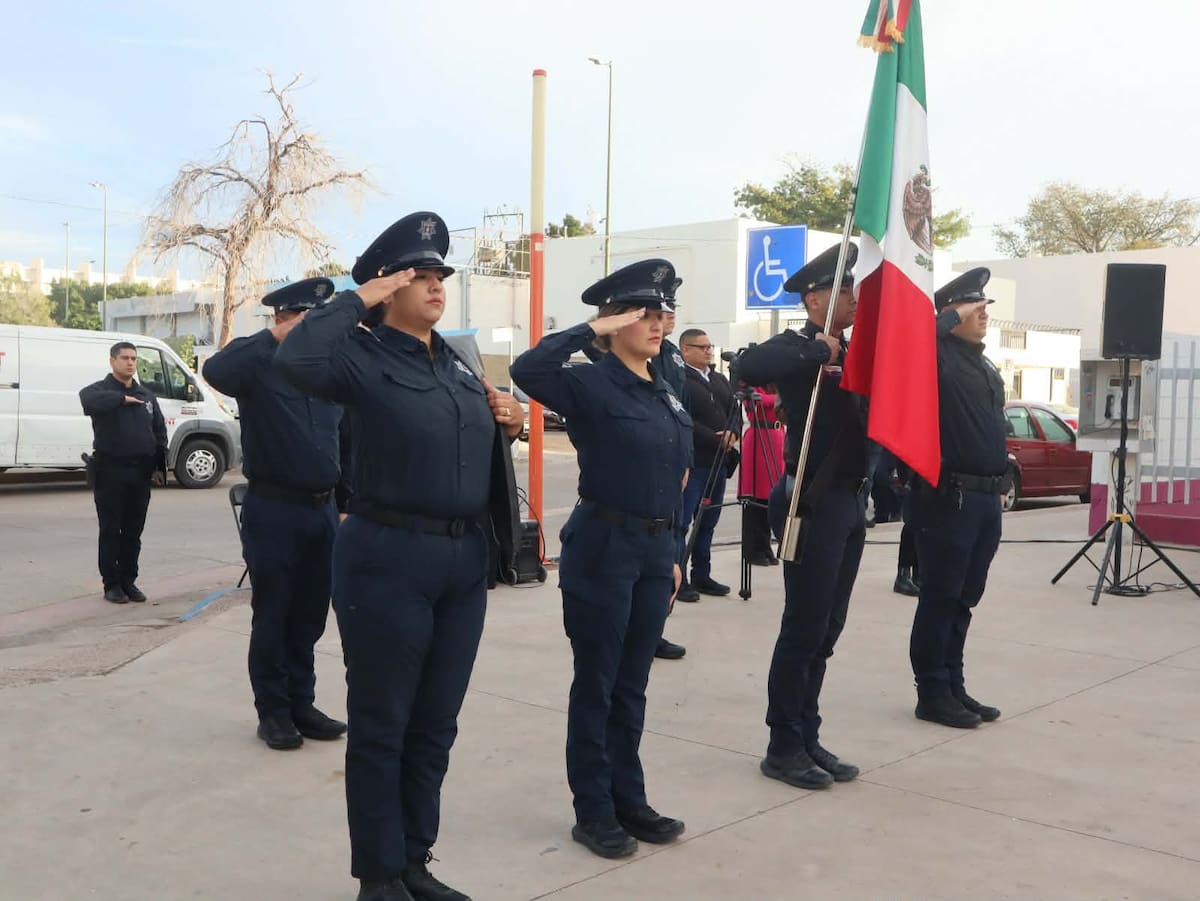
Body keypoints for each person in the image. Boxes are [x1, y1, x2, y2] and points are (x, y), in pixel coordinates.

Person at [275, 211, 522, 901]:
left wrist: (504, 422)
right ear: (390, 284)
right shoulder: (358, 352)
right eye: (420, 273)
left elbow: (464, 452)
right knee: (383, 724)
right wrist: (359, 296)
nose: (436, 282)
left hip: (461, 560)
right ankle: (379, 876)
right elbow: (294, 359)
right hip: (386, 557)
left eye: (441, 272)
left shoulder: (457, 362)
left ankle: (415, 860)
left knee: (435, 725)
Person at [510, 258, 692, 861]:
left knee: (632, 685)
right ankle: (593, 810)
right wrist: (590, 330)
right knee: (598, 682)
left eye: (661, 311)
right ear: (614, 321)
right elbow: (529, 368)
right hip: (603, 547)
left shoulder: (664, 386)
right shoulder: (588, 383)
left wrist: (670, 554)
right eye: (642, 312)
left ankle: (629, 799)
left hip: (650, 550)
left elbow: (673, 478)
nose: (657, 321)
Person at [738, 243, 867, 791]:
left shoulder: (859, 349)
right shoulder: (798, 346)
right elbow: (749, 366)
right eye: (847, 291)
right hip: (810, 501)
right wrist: (819, 352)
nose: (857, 299)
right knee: (804, 624)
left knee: (829, 627)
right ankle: (782, 744)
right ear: (816, 299)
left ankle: (808, 733)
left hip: (850, 501)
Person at [202, 277, 350, 752]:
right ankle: (273, 712)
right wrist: (277, 337)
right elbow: (217, 370)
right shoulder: (259, 365)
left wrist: (345, 506)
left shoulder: (326, 373)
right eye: (306, 320)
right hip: (275, 509)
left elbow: (342, 444)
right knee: (274, 614)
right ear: (284, 318)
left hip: (323, 510)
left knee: (309, 615)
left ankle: (301, 703)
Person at [909, 267, 1007, 729]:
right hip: (950, 497)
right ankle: (931, 691)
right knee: (941, 597)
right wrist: (946, 319)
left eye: (985, 306)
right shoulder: (935, 356)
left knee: (965, 598)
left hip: (986, 499)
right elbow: (907, 352)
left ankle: (954, 683)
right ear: (952, 312)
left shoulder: (982, 363)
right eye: (975, 307)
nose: (984, 314)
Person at [79, 341, 168, 604]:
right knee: (111, 530)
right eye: (125, 358)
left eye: (134, 359)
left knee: (133, 531)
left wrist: (159, 466)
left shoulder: (146, 396)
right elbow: (86, 399)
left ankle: (129, 580)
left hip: (140, 473)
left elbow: (159, 430)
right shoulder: (101, 391)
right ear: (112, 361)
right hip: (110, 471)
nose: (130, 363)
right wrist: (120, 399)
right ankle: (112, 584)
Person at [676, 327, 739, 599]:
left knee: (708, 521)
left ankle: (702, 574)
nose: (709, 350)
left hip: (719, 462)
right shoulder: (680, 380)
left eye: (709, 346)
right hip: (695, 461)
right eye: (702, 347)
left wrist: (733, 432)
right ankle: (679, 579)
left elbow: (735, 409)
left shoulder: (718, 378)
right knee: (683, 522)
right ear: (685, 350)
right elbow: (682, 417)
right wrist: (715, 438)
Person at [737, 383, 784, 566]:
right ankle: (752, 548)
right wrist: (778, 399)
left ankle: (765, 545)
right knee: (755, 499)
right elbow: (757, 403)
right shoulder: (751, 382)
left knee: (770, 499)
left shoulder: (775, 383)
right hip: (759, 437)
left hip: (777, 437)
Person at [893, 461, 921, 596]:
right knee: (912, 522)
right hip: (915, 465)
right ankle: (903, 573)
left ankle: (918, 572)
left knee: (925, 522)